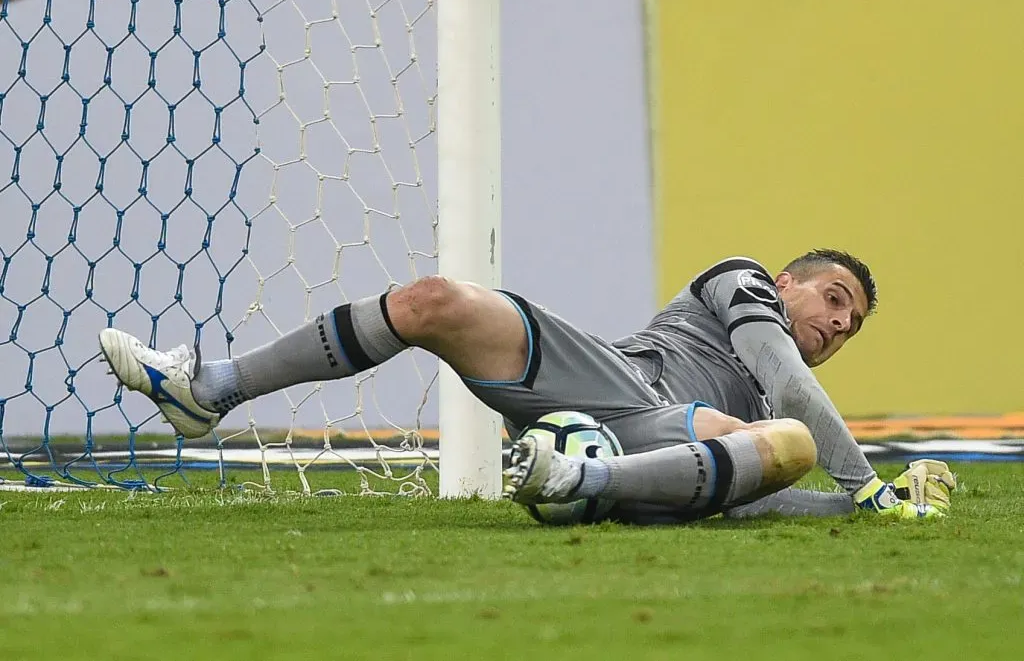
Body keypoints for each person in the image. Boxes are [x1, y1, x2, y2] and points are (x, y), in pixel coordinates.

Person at [97, 249, 953, 521]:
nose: (841, 322)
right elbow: (788, 378)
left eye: (854, 325)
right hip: (615, 376)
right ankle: (210, 390)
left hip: (662, 444)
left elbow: (749, 499)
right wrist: (870, 490)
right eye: (835, 299)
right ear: (790, 281)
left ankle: (579, 479)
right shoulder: (741, 281)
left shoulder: (765, 423)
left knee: (783, 448)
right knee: (433, 301)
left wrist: (853, 508)